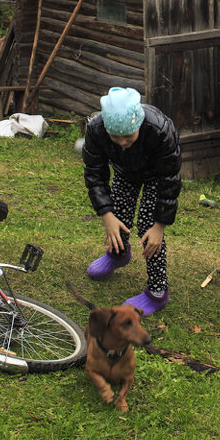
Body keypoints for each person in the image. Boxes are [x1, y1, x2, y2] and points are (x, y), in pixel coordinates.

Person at [83, 86, 181, 316]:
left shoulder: (159, 129)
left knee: (148, 226)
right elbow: (94, 174)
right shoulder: (96, 129)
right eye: (115, 137)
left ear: (139, 125)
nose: (122, 142)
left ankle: (157, 291)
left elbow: (170, 179)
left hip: (157, 175)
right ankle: (118, 254)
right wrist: (106, 214)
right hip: (125, 171)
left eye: (128, 136)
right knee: (118, 214)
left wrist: (159, 226)